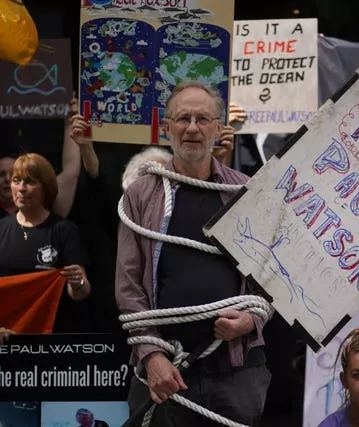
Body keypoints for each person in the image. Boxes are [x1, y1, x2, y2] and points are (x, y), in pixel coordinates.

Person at [116, 80, 271, 426]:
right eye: (183, 118)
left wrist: (251, 320)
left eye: (202, 119)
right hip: (165, 370)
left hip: (236, 370)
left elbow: (272, 278)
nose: (192, 128)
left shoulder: (244, 191)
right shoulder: (139, 196)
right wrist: (152, 356)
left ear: (218, 128)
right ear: (166, 127)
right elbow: (128, 288)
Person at [0, 153, 91, 335]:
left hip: (49, 341)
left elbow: (81, 291)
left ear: (46, 187)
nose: (21, 188)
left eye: (30, 182)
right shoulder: (1, 229)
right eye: (17, 181)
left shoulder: (64, 230)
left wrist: (78, 283)